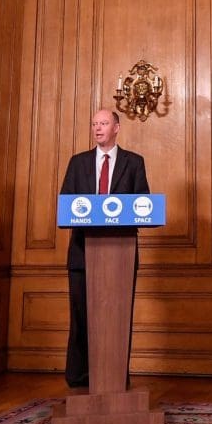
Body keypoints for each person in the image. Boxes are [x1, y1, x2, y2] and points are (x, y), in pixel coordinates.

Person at [59, 108, 149, 388]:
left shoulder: (134, 162)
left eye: (104, 123)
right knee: (82, 318)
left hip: (120, 256)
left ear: (116, 128)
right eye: (94, 124)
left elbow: (143, 205)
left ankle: (116, 379)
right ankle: (80, 378)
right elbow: (66, 206)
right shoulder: (78, 162)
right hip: (82, 255)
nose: (98, 128)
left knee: (118, 320)